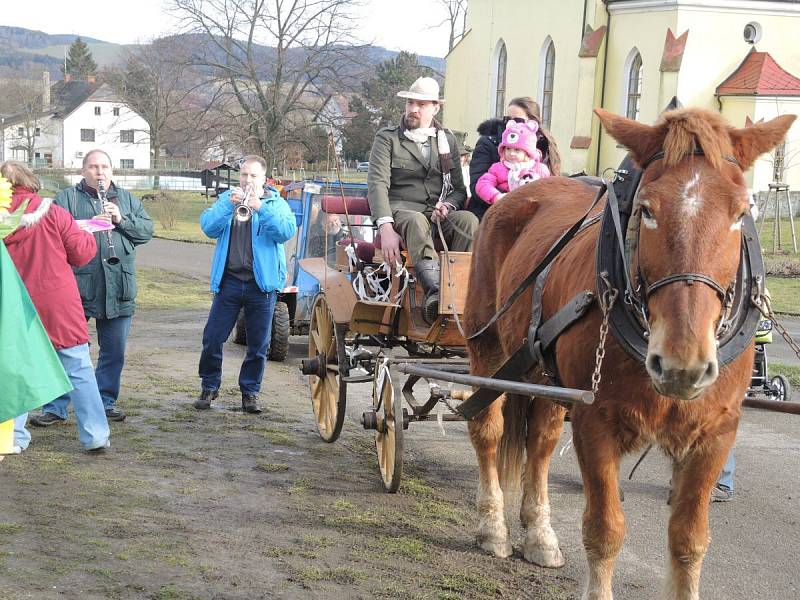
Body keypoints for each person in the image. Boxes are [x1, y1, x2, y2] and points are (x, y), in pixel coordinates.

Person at [29, 149, 154, 426]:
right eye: (94, 167)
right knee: (65, 348)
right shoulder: (66, 199)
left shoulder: (127, 200)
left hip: (119, 285)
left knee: (114, 350)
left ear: (112, 170)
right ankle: (55, 407)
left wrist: (121, 220)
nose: (100, 172)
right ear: (83, 170)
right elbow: (53, 234)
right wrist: (89, 224)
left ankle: (105, 401)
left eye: (105, 167)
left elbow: (146, 232)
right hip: (76, 286)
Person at [1, 160, 110, 451]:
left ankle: (13, 437)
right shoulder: (55, 213)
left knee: (17, 371)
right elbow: (82, 254)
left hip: (14, 304)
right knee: (78, 368)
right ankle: (95, 435)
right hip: (58, 302)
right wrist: (86, 232)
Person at [367, 76, 476, 323]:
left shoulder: (447, 141)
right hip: (401, 212)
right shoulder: (388, 139)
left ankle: (460, 292)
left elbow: (458, 189)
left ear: (435, 108)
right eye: (410, 103)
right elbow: (377, 185)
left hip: (437, 214)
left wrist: (447, 205)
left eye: (422, 104)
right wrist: (385, 228)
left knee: (469, 220)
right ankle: (436, 294)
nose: (413, 109)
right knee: (416, 221)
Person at [194, 155, 297, 414]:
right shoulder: (227, 199)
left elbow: (285, 232)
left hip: (260, 286)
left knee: (259, 344)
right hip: (229, 282)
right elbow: (208, 227)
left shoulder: (276, 203)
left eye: (253, 176)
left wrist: (261, 208)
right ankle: (209, 386)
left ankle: (250, 393)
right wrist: (228, 207)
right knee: (213, 338)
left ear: (264, 179)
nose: (247, 180)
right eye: (244, 175)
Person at [468, 96, 561, 221]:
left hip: (533, 213)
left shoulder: (544, 147)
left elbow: (550, 186)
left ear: (533, 123)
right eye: (507, 119)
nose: (510, 124)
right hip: (490, 210)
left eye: (518, 120)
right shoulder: (488, 143)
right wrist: (504, 197)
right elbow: (477, 185)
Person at [475, 119, 551, 205]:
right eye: (508, 149)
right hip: (506, 206)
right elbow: (483, 183)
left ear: (528, 152)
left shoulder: (540, 169)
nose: (511, 153)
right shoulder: (498, 168)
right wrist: (496, 196)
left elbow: (548, 188)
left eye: (517, 150)